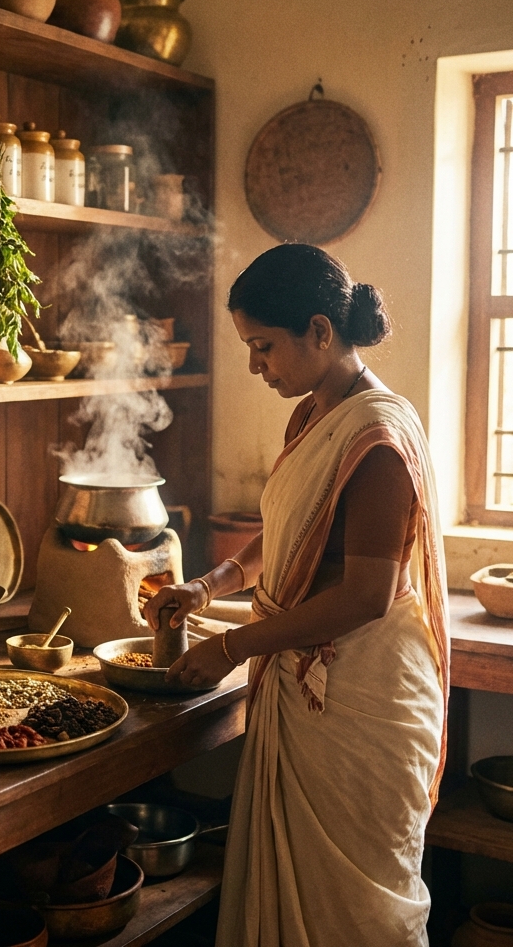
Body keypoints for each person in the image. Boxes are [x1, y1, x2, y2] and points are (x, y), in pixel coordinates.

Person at [143, 243, 449, 947]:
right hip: (311, 685)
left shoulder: (376, 439)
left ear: (319, 330)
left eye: (264, 347)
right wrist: (208, 584)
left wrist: (232, 645)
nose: (255, 366)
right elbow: (285, 536)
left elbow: (367, 596)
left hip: (362, 698)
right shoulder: (315, 412)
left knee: (356, 915)